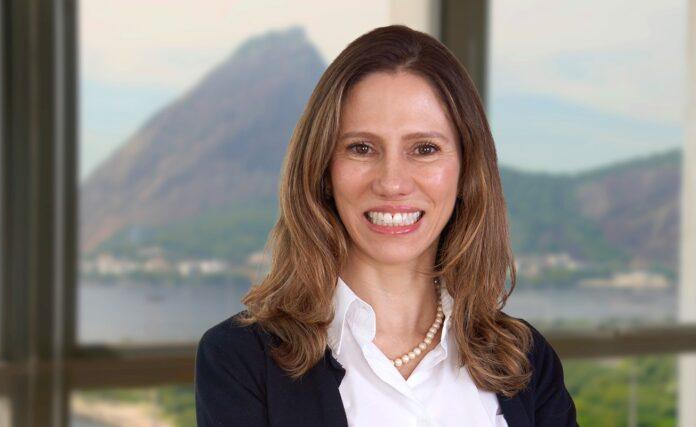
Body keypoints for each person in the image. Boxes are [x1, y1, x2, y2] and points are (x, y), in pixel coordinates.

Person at [195, 24, 578, 426]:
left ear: (466, 170)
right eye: (361, 148)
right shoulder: (240, 361)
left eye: (425, 149)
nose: (392, 183)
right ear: (323, 170)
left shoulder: (526, 361)